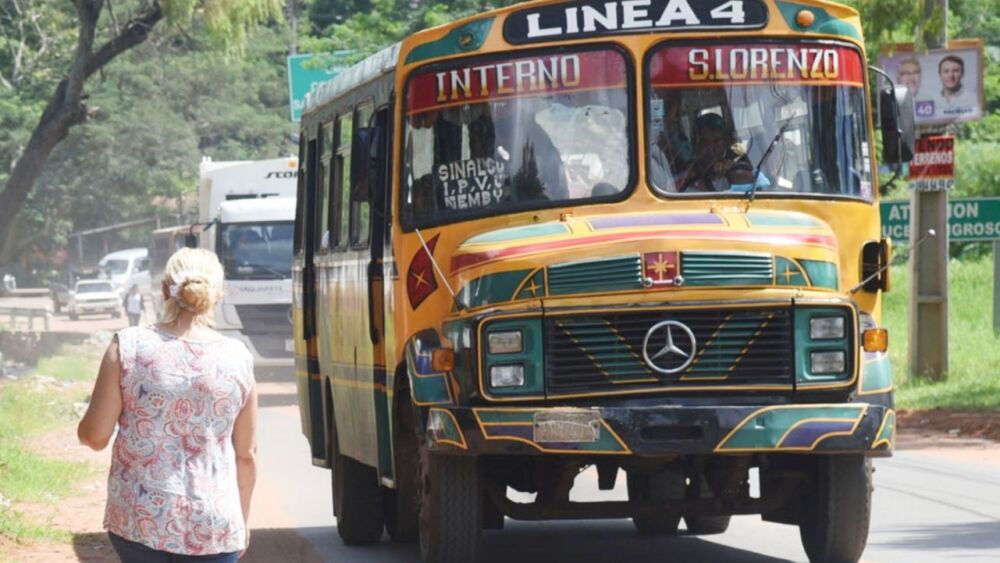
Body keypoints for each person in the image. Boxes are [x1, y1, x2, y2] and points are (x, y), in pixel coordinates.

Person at [78, 247, 257, 562]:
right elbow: (246, 454)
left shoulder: (128, 346)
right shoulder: (238, 357)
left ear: (164, 290)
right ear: (218, 295)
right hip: (214, 524)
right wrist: (241, 521)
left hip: (141, 520)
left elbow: (94, 436)